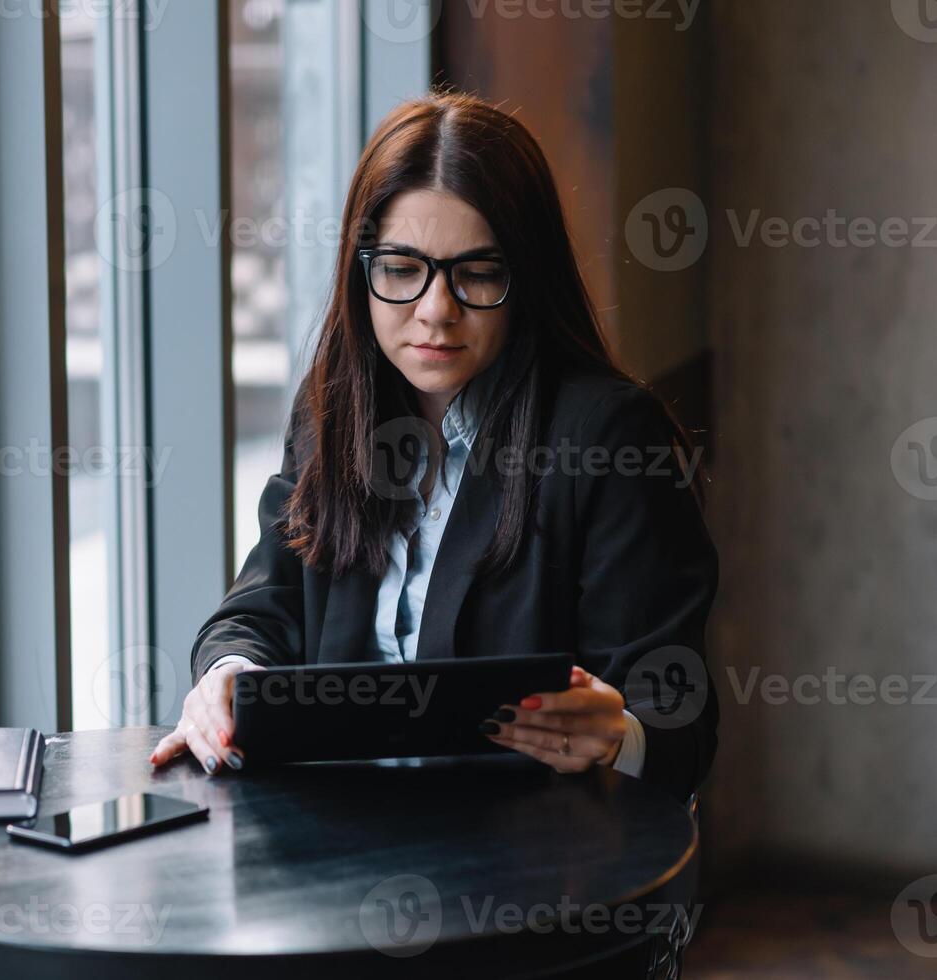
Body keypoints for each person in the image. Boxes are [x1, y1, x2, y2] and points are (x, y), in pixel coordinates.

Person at [150, 91, 718, 803]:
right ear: (362, 273)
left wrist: (621, 734)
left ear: (525, 278)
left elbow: (680, 717)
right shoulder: (332, 408)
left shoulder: (606, 438)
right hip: (337, 853)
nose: (436, 310)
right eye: (400, 269)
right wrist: (229, 676)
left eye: (477, 273)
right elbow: (267, 604)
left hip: (530, 865)